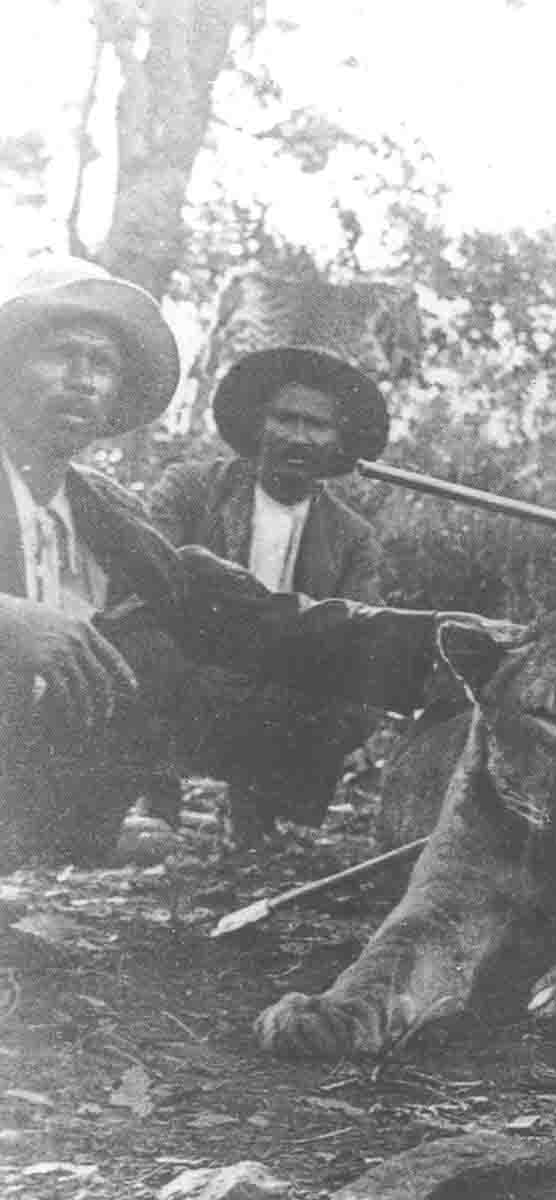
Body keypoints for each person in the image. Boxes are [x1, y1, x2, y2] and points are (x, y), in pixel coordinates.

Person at [0, 257, 448, 869]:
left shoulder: (109, 515)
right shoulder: (193, 489)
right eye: (59, 354)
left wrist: (444, 651)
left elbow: (259, 621)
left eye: (102, 364)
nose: (82, 379)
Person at [147, 341, 389, 838]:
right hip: (192, 670)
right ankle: (153, 798)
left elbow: (364, 631)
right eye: (286, 418)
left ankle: (271, 815)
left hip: (286, 690)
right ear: (259, 425)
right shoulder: (193, 488)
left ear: (338, 443)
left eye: (317, 426)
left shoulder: (352, 537)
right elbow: (146, 575)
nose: (299, 437)